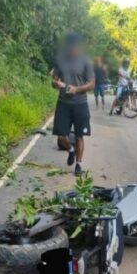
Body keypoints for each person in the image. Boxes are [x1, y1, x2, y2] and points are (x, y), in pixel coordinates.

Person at [50, 33, 95, 176]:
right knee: (61, 136)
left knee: (79, 136)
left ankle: (79, 164)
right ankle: (70, 150)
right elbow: (54, 79)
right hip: (63, 103)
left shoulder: (86, 61)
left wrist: (77, 89)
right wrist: (55, 83)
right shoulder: (60, 60)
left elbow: (92, 83)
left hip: (80, 104)